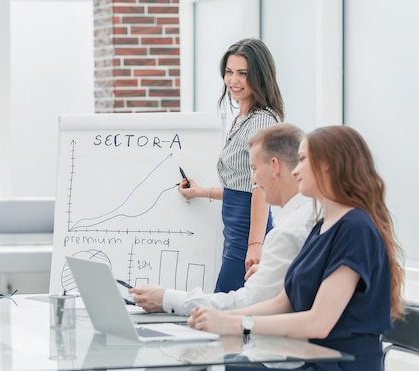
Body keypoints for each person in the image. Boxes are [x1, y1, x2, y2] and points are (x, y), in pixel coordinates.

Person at [187, 126, 405, 370]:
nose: (296, 169)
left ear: (327, 166)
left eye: (302, 160)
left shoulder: (356, 229)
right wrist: (222, 318)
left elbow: (319, 322)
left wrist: (237, 325)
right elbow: (283, 303)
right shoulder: (321, 227)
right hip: (313, 359)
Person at [131, 124, 312, 314]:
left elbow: (247, 303)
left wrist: (166, 298)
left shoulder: (287, 232)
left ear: (275, 166)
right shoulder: (308, 214)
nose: (253, 181)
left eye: (254, 168)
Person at [179, 38, 284, 293]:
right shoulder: (242, 118)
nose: (233, 80)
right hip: (237, 233)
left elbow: (260, 188)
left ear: (259, 76)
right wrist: (200, 191)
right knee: (230, 311)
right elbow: (240, 189)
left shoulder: (260, 121)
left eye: (242, 73)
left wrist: (255, 244)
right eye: (229, 72)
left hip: (248, 235)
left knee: (225, 309)